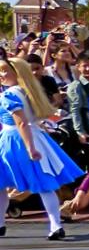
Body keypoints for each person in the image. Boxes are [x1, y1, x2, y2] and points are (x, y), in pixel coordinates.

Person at [0, 57, 83, 239]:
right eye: (1, 70)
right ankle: (54, 225)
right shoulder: (28, 91)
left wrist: (30, 148)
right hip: (33, 136)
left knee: (30, 183)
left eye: (6, 70)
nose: (2, 74)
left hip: (15, 141)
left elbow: (21, 123)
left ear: (18, 72)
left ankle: (54, 225)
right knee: (38, 184)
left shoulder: (9, 95)